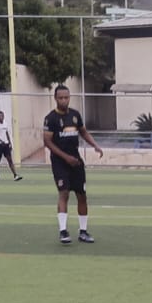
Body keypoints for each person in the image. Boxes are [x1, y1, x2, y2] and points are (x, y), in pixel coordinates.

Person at [42, 84, 104, 244]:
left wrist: (95, 145)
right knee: (64, 193)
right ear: (55, 98)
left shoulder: (75, 115)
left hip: (76, 161)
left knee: (82, 195)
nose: (64, 100)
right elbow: (47, 142)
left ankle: (83, 231)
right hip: (60, 162)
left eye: (66, 97)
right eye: (61, 98)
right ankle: (63, 231)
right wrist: (65, 157)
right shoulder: (51, 118)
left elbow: (83, 132)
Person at [0, 110, 21, 180]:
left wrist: (10, 142)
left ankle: (15, 175)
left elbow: (6, 133)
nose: (1, 117)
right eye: (0, 116)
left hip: (6, 144)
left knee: (10, 159)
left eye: (2, 116)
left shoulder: (5, 123)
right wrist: (1, 141)